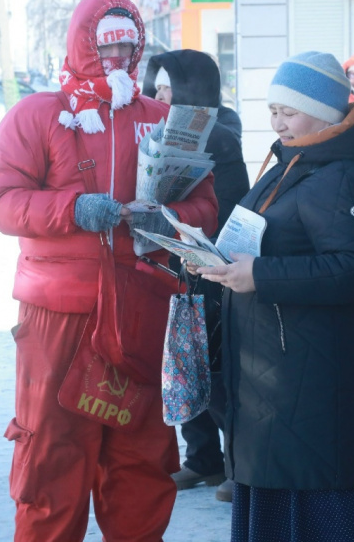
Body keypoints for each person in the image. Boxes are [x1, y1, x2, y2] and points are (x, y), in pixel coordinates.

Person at [0, 0, 218, 542]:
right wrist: (72, 210)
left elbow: (205, 204)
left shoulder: (161, 120)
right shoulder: (38, 115)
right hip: (59, 314)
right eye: (105, 46)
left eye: (126, 47)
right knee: (51, 454)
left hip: (142, 307)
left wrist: (166, 219)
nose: (116, 58)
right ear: (82, 44)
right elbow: (2, 202)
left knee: (141, 458)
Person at [194, 51, 354, 541]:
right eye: (273, 110)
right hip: (275, 380)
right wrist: (207, 257)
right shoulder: (292, 162)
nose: (277, 122)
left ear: (324, 112)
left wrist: (260, 276)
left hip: (313, 381)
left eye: (289, 111)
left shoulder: (343, 174)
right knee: (278, 500)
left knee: (321, 508)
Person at [142, 49, 249, 502]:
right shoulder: (154, 128)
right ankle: (202, 458)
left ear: (193, 89)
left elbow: (231, 203)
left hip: (213, 265)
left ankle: (239, 466)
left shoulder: (220, 135)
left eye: (170, 88)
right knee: (182, 363)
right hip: (172, 263)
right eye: (157, 88)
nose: (160, 96)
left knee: (216, 371)